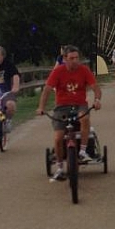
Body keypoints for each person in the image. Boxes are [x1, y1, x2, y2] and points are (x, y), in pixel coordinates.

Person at [36, 45, 102, 181]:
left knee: (84, 119)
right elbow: (47, 90)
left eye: (77, 58)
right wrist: (41, 107)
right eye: (71, 58)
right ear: (64, 58)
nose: (75, 61)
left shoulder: (84, 70)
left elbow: (95, 87)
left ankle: (83, 151)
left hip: (79, 105)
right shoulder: (58, 71)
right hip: (62, 107)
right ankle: (60, 167)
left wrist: (97, 100)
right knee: (58, 137)